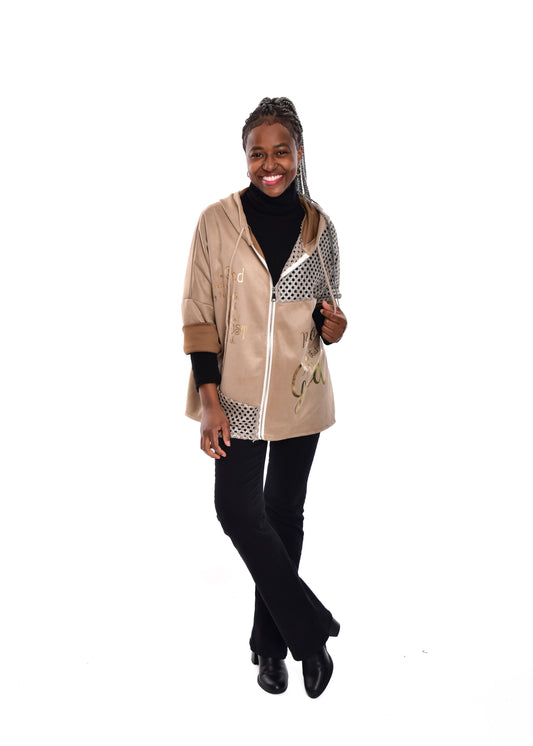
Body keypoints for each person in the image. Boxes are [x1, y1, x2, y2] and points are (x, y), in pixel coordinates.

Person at [182, 97, 347, 698]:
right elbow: (198, 315)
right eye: (258, 153)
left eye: (281, 152)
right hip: (236, 394)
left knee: (282, 517)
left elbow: (329, 314)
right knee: (236, 511)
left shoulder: (321, 228)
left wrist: (336, 326)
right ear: (245, 157)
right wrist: (209, 400)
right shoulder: (215, 223)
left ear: (299, 153)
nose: (269, 165)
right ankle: (310, 631)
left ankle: (270, 647)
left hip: (302, 396)